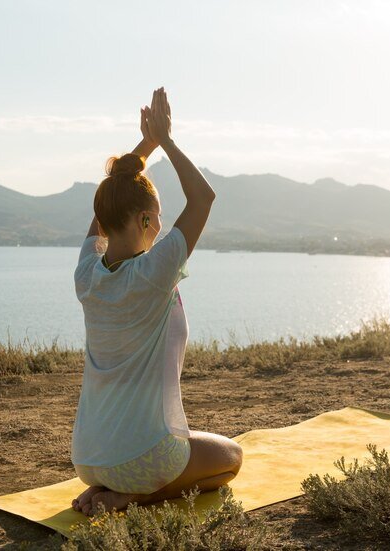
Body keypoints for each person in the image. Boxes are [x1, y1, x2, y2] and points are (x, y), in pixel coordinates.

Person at [70, 87, 243, 517]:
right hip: (141, 459)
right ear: (147, 220)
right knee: (231, 458)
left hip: (87, 460)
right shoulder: (155, 271)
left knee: (186, 443)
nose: (163, 225)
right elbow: (204, 198)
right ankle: (136, 496)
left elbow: (106, 208)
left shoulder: (86, 275)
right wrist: (163, 139)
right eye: (159, 216)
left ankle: (108, 489)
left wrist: (141, 151)